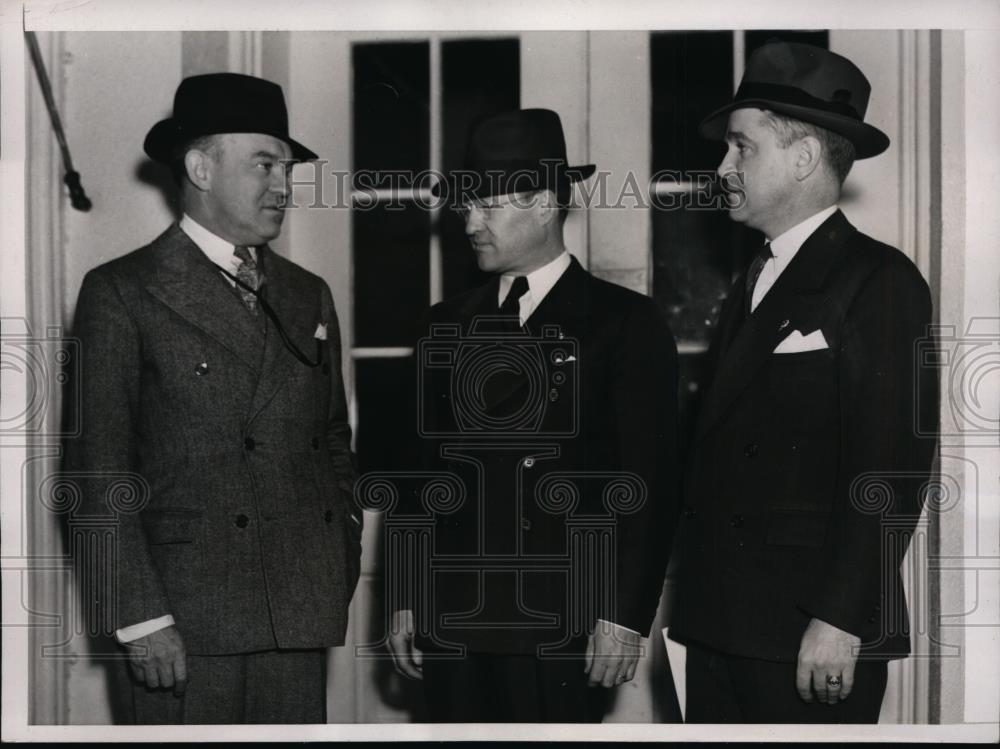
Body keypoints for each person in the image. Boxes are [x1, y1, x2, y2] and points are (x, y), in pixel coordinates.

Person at [66, 73, 363, 724]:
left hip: (297, 610)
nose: (284, 186)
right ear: (201, 168)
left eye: (287, 168)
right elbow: (96, 471)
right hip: (181, 622)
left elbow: (333, 444)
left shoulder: (307, 293)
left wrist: (338, 558)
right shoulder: (122, 290)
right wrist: (140, 616)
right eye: (265, 164)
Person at [668, 42, 939, 723]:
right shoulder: (755, 278)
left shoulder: (880, 279)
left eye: (741, 148)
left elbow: (892, 469)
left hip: (805, 634)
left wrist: (840, 618)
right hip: (721, 624)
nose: (722, 168)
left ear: (803, 158)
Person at [384, 108, 679, 722]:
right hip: (452, 622)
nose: (470, 223)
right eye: (466, 207)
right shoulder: (443, 323)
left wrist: (623, 616)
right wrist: (405, 596)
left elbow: (647, 485)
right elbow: (417, 478)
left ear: (544, 204)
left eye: (487, 207)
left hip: (562, 625)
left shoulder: (624, 323)